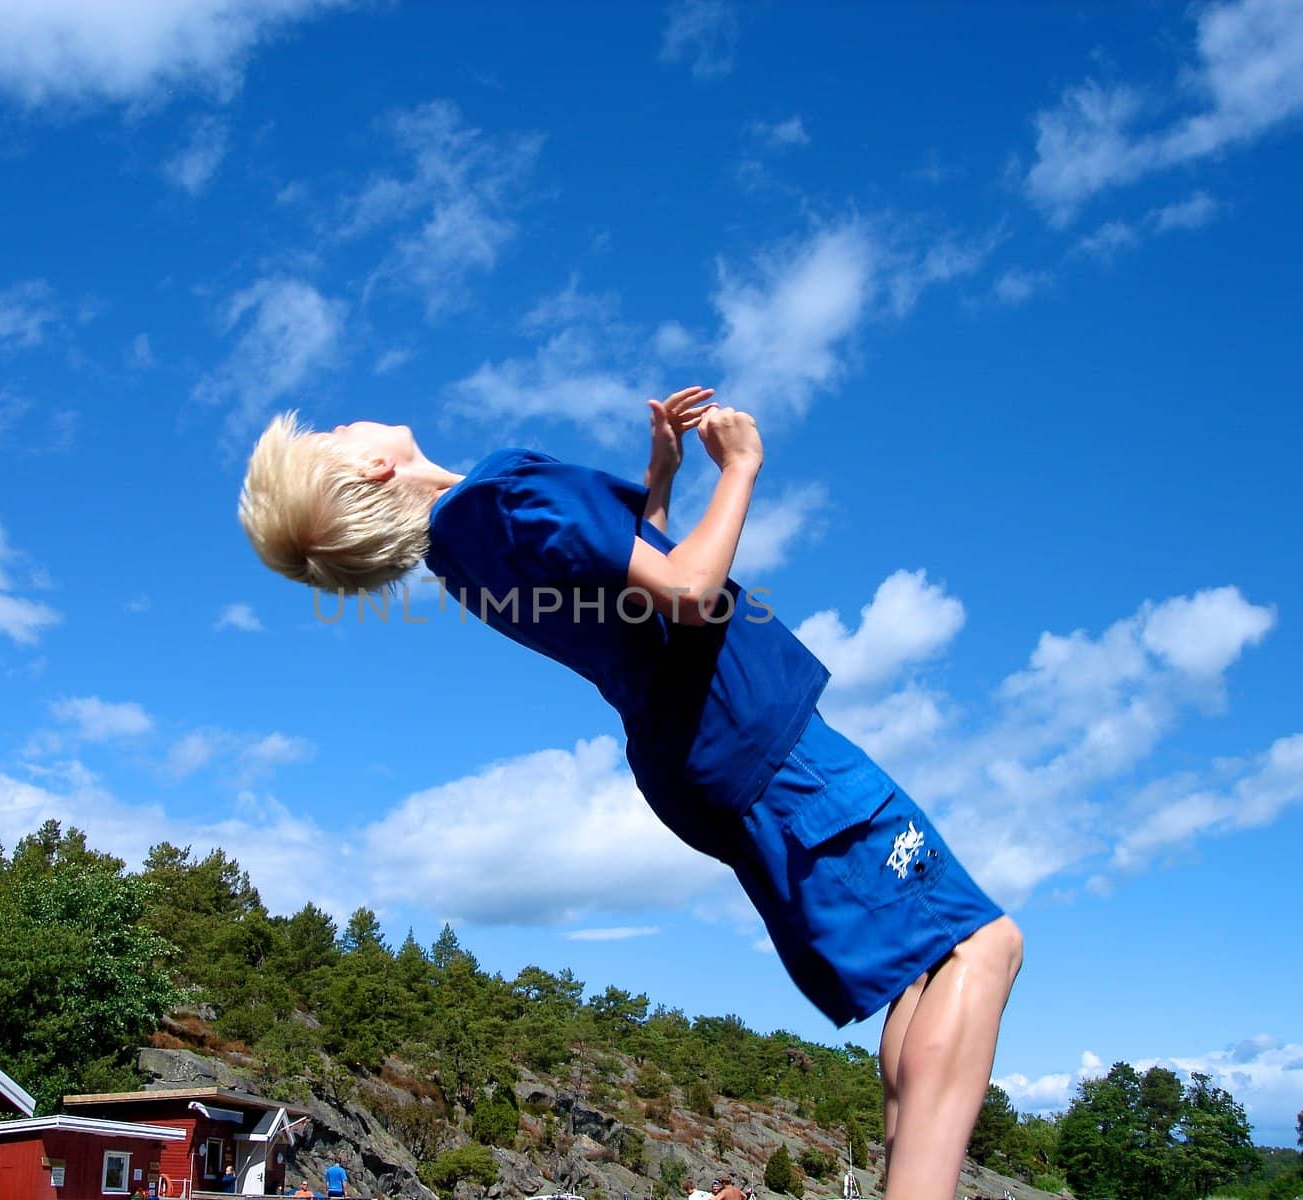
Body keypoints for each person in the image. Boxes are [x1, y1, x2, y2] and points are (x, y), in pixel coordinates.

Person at [238, 388, 1024, 1200]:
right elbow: (685, 589)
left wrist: (660, 475)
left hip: (696, 754)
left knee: (923, 967)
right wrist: (743, 465)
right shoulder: (501, 496)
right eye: (333, 434)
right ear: (371, 465)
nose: (346, 420)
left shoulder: (463, 554)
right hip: (757, 736)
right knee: (984, 945)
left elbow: (619, 583)